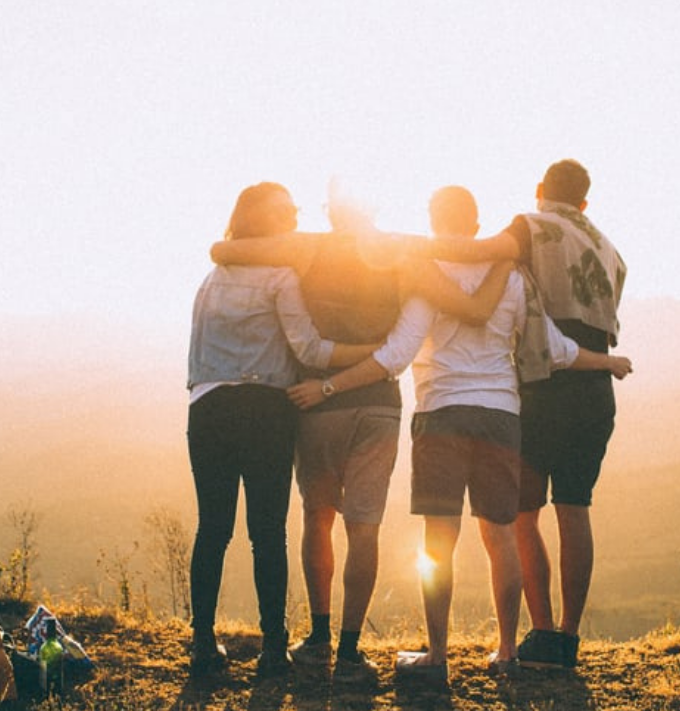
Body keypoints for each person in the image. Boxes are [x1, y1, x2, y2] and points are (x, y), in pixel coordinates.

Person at [286, 185, 631, 682]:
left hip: (441, 413)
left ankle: (438, 656)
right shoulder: (512, 276)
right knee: (502, 537)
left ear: (433, 220)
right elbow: (554, 348)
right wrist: (608, 362)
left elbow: (397, 355)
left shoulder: (427, 274)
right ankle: (508, 652)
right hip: (501, 416)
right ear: (475, 225)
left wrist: (329, 386)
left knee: (438, 542)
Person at [208, 186, 511, 683]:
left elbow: (226, 251)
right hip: (378, 405)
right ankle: (350, 651)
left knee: (317, 517)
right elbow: (468, 277)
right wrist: (506, 251)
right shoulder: (402, 251)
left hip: (317, 403)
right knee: (364, 526)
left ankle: (318, 636)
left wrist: (222, 248)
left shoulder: (307, 247)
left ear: (331, 211)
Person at [407, 160, 628, 669]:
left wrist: (404, 248)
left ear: (539, 190)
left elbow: (479, 253)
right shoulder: (611, 250)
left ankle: (539, 634)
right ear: (585, 202)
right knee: (575, 508)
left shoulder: (530, 227)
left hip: (543, 385)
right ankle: (566, 639)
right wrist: (607, 362)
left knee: (519, 516)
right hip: (593, 388)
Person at [186, 182, 377, 679]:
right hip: (266, 410)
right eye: (286, 209)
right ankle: (273, 649)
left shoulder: (212, 277)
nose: (294, 214)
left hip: (207, 408)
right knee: (266, 533)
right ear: (266, 222)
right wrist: (371, 353)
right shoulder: (281, 276)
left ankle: (203, 646)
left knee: (213, 529)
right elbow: (310, 352)